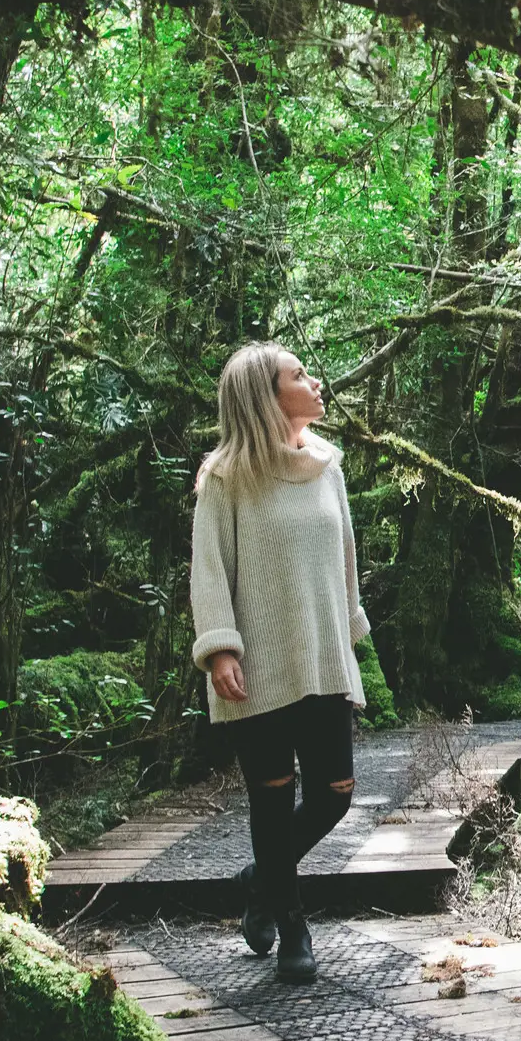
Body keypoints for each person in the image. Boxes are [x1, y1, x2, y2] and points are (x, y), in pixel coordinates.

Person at [191, 341, 371, 984]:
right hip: (256, 666)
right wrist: (219, 648)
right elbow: (210, 569)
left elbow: (347, 558)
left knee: (334, 795)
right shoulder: (225, 477)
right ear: (266, 398)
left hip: (321, 655)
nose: (315, 382)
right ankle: (292, 923)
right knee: (271, 801)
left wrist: (352, 635)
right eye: (299, 376)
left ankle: (260, 878)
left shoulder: (328, 466)